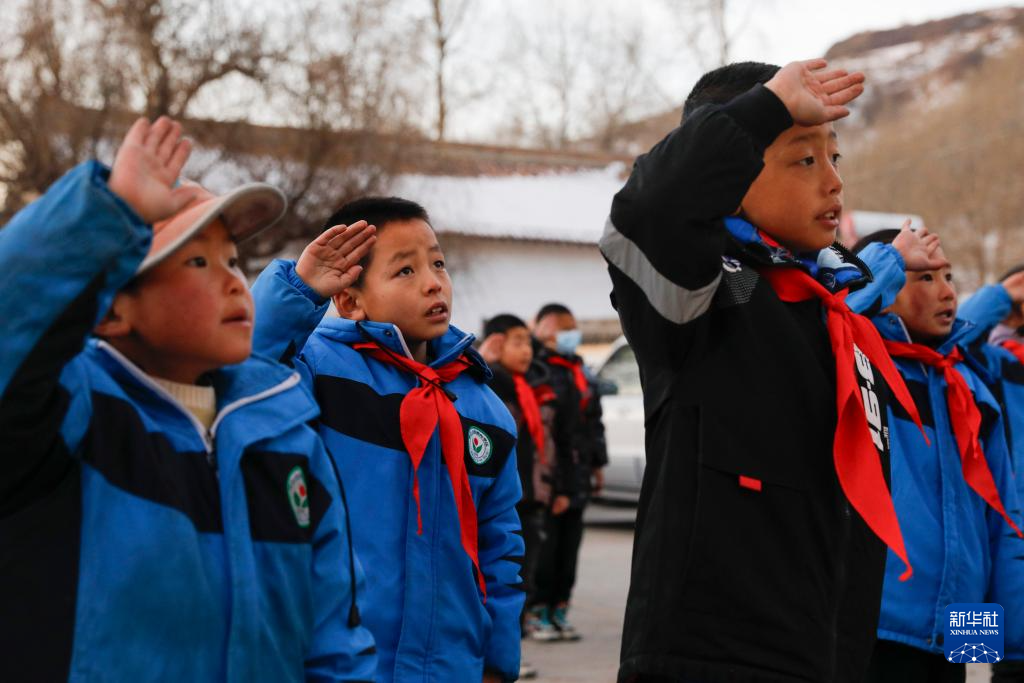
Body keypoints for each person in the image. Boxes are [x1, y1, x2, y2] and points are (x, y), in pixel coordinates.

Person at [599, 59, 945, 682]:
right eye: (805, 159)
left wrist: (990, 648)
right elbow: (653, 211)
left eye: (835, 158)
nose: (834, 182)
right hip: (731, 660)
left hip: (911, 633)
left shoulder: (878, 342)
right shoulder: (710, 296)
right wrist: (764, 108)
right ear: (730, 176)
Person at [0, 117, 377, 682]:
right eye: (197, 261)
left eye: (233, 260)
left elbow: (334, 643)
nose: (233, 281)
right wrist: (110, 210)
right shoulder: (73, 417)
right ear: (112, 311)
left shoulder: (287, 438)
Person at [250, 196, 525, 682]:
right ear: (350, 300)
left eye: (437, 263)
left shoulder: (486, 411)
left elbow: (500, 546)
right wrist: (299, 291)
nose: (433, 282)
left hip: (452, 666)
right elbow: (247, 368)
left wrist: (497, 662)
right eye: (405, 271)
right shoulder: (320, 371)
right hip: (344, 662)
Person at [851, 229, 1024, 682]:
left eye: (948, 277)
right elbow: (839, 314)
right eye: (925, 278)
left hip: (958, 634)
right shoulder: (860, 368)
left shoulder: (970, 388)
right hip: (876, 626)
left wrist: (1011, 650)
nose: (948, 292)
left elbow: (1001, 524)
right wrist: (886, 263)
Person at [479, 313, 559, 679]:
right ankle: (498, 654)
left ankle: (511, 650)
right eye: (517, 342)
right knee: (500, 579)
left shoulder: (530, 386)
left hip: (531, 498)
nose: (526, 350)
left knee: (522, 580)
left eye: (528, 342)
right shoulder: (491, 385)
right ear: (497, 345)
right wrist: (484, 360)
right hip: (506, 500)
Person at [955, 266, 1024, 683]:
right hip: (985, 557)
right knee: (971, 669)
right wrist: (1002, 295)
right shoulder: (992, 367)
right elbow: (952, 343)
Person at [527, 303, 607, 642]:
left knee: (570, 548)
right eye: (563, 327)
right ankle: (538, 612)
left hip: (578, 474)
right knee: (546, 550)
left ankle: (560, 608)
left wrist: (597, 464)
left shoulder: (579, 370)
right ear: (544, 330)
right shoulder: (538, 372)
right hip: (552, 480)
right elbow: (548, 437)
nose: (570, 334)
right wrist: (557, 487)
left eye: (572, 327)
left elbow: (593, 423)